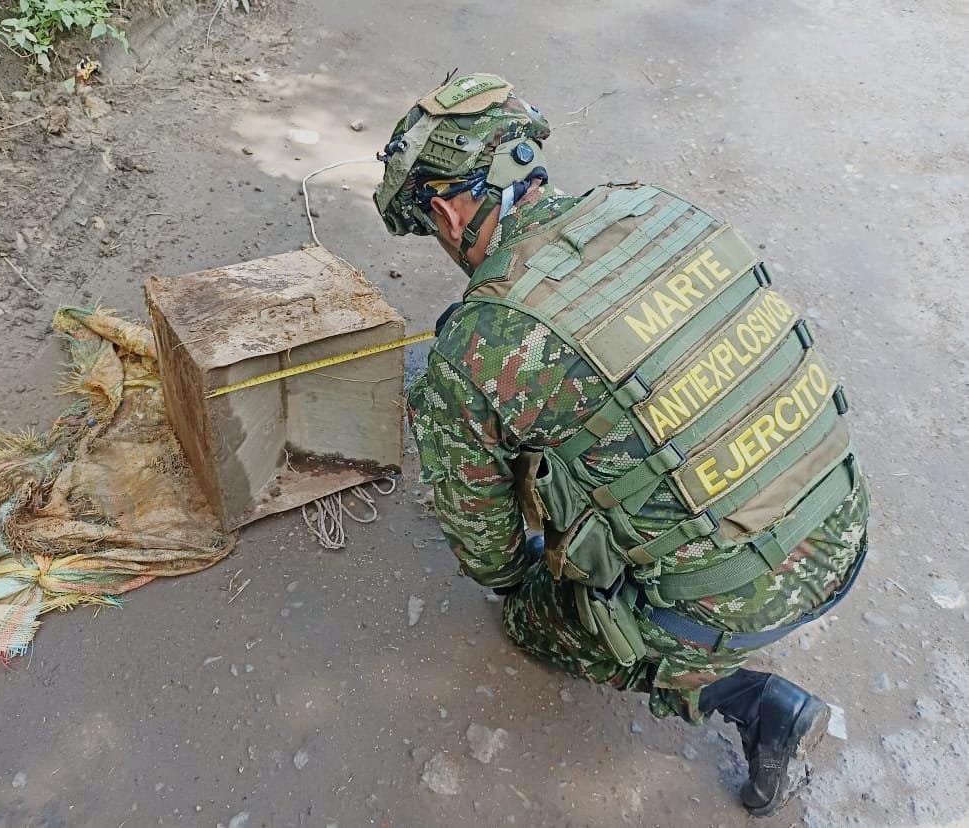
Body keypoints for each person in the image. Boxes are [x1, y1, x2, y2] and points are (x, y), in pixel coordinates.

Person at [373, 72, 870, 817]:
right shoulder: (655, 208)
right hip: (844, 520)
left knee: (531, 620)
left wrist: (537, 574)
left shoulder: (476, 348)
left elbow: (489, 554)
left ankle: (745, 698)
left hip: (749, 596)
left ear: (444, 213)